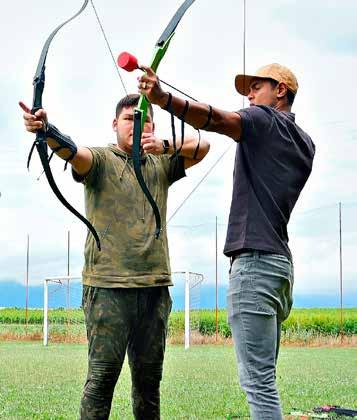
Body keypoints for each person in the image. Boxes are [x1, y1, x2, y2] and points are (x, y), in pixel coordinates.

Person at [139, 63, 315, 419]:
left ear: (280, 90)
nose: (248, 96)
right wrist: (166, 144)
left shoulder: (263, 121)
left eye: (255, 87)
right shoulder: (305, 143)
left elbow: (215, 120)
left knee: (259, 385)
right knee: (264, 377)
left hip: (255, 267)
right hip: (280, 268)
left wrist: (162, 98)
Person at [20, 93, 210, 420]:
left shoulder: (160, 162)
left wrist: (163, 145)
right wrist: (46, 130)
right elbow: (74, 153)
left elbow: (203, 146)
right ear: (114, 124)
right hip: (107, 288)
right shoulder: (101, 160)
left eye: (145, 120)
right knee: (101, 380)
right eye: (129, 119)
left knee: (149, 383)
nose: (138, 125)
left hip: (154, 287)